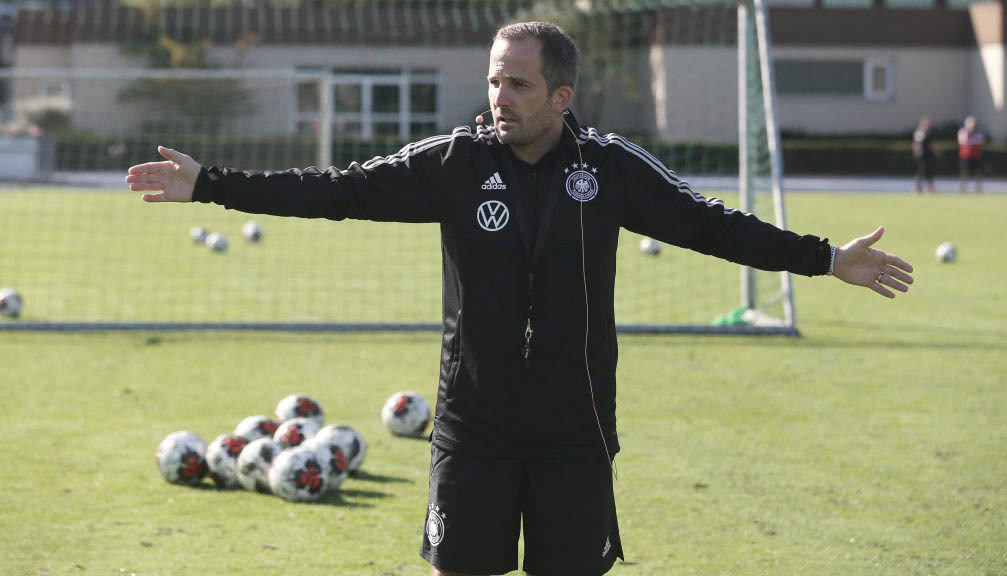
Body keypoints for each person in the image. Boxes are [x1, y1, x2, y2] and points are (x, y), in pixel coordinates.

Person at [126, 22, 914, 576]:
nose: (500, 96)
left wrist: (823, 259)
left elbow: (710, 224)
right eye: (495, 79)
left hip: (576, 425)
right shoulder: (452, 164)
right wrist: (210, 186)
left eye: (519, 83)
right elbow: (335, 190)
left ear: (561, 96)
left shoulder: (610, 169)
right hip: (473, 424)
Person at [957, 115, 985, 194]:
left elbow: (980, 141)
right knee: (964, 173)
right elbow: (962, 141)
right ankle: (963, 189)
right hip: (965, 157)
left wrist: (971, 140)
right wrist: (968, 134)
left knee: (978, 173)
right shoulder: (962, 131)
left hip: (976, 156)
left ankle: (979, 189)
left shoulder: (978, 132)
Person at [912, 115, 937, 194]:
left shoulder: (928, 132)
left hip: (928, 155)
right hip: (922, 156)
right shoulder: (920, 132)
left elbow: (931, 144)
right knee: (921, 172)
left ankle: (929, 188)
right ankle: (918, 188)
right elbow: (917, 143)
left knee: (929, 172)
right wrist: (917, 152)